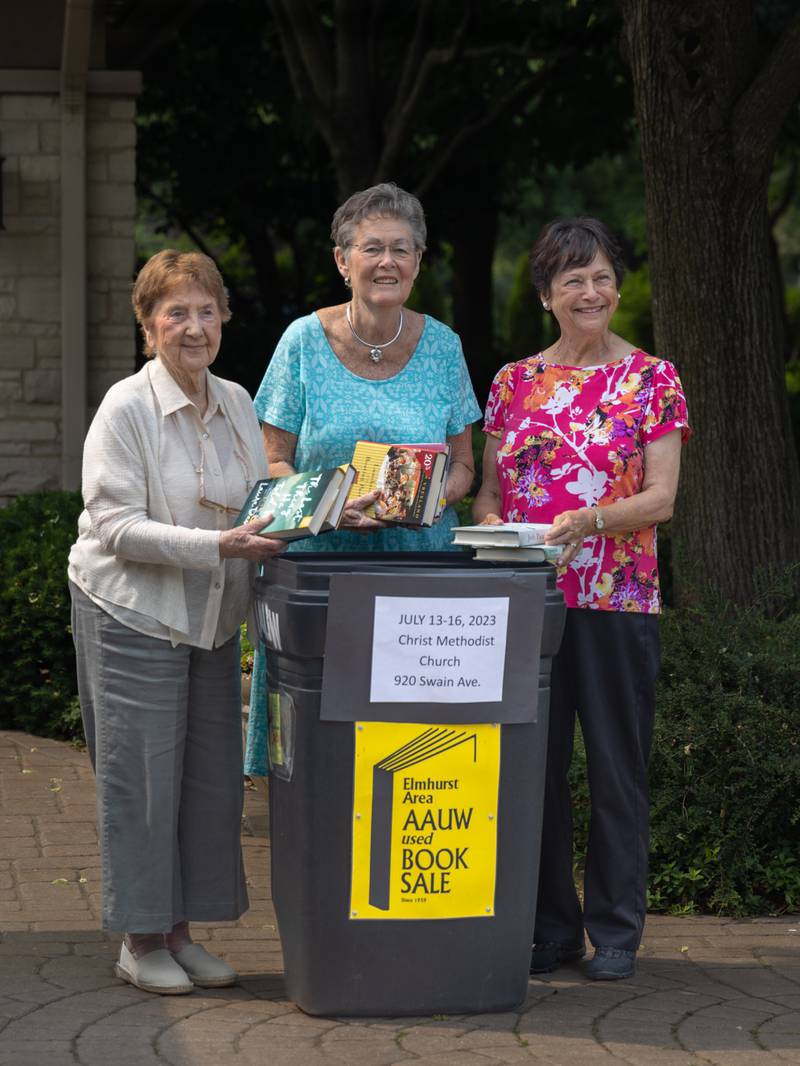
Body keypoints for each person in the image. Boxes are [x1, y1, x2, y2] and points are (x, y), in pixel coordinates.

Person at [473, 217, 690, 981]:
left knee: (614, 767)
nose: (590, 291)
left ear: (618, 286)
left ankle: (618, 929)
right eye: (573, 280)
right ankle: (552, 928)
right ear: (546, 296)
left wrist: (591, 519)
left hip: (618, 601)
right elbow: (491, 490)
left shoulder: (653, 379)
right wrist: (494, 524)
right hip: (528, 599)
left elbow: (661, 499)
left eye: (600, 276)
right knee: (531, 769)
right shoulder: (511, 383)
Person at [68, 250, 287, 995]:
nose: (193, 327)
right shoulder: (125, 408)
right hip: (133, 611)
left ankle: (183, 934)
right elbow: (113, 525)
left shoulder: (235, 399)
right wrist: (216, 546)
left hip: (211, 620)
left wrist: (319, 514)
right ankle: (139, 939)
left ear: (224, 317)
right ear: (148, 325)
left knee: (206, 781)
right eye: (175, 313)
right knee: (143, 780)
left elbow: (258, 498)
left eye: (206, 310)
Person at [244, 181, 482, 774]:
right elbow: (269, 462)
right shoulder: (302, 341)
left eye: (402, 249)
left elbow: (466, 467)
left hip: (422, 577)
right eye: (372, 247)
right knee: (327, 752)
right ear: (342, 260)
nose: (387, 262)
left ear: (419, 263)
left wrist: (428, 497)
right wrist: (330, 503)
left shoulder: (444, 347)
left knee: (414, 754)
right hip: (322, 571)